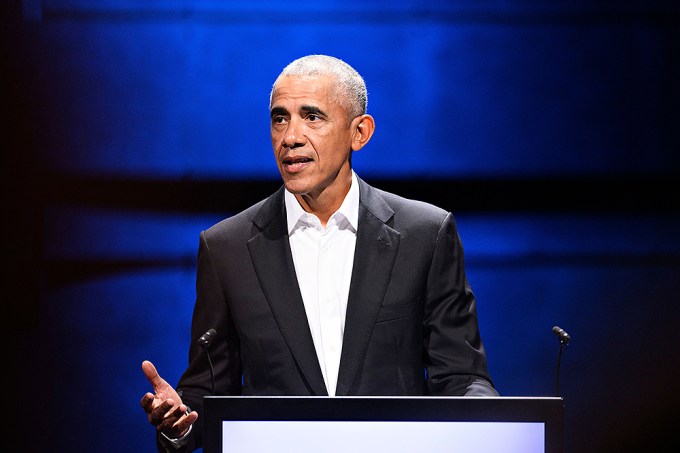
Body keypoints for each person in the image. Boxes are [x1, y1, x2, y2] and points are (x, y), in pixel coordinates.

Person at [141, 54, 498, 452]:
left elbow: (462, 377)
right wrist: (180, 425)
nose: (290, 136)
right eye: (280, 118)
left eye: (312, 117)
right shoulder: (226, 247)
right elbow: (207, 395)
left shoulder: (425, 234)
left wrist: (489, 426)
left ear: (359, 133)